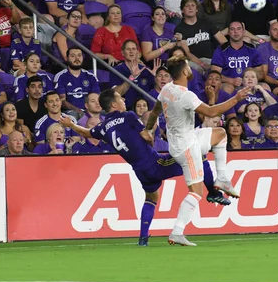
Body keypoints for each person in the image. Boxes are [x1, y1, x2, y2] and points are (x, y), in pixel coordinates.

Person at [61, 88, 229, 246]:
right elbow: (145, 135)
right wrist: (149, 138)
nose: (123, 100)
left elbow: (86, 133)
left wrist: (71, 125)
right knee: (198, 155)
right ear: (113, 104)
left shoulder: (103, 127)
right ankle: (213, 193)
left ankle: (143, 239)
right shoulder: (128, 116)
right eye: (120, 98)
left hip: (140, 171)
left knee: (151, 198)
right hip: (155, 164)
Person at [143, 55, 250, 246]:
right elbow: (210, 112)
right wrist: (237, 98)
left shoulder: (167, 89)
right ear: (184, 71)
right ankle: (177, 231)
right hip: (187, 147)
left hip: (182, 140)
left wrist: (148, 129)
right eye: (188, 66)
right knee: (196, 192)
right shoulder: (186, 95)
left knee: (220, 134)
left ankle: (223, 179)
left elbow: (155, 111)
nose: (190, 69)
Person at [211, 21, 265, 94]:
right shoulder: (221, 50)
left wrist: (249, 80)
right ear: (229, 33)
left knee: (265, 87)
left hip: (250, 84)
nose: (236, 32)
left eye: (239, 29)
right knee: (228, 88)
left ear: (243, 32)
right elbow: (215, 74)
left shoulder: (252, 49)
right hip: (229, 83)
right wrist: (231, 80)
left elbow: (260, 74)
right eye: (232, 29)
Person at [175, 0, 218, 73]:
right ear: (182, 10)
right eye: (187, 6)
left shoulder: (206, 23)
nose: (190, 8)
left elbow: (222, 40)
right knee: (194, 70)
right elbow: (187, 53)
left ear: (197, 9)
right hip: (193, 62)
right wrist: (202, 64)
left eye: (193, 5)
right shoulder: (179, 29)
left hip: (210, 59)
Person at [54, 47, 100, 116]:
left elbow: (96, 97)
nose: (77, 58)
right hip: (70, 112)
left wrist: (89, 112)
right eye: (73, 56)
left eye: (79, 55)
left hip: (89, 110)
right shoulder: (60, 76)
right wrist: (78, 111)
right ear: (67, 58)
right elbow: (62, 101)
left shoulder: (91, 76)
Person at [109, 40, 155, 109]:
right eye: (128, 49)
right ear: (123, 53)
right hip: (127, 110)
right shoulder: (116, 71)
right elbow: (116, 94)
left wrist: (156, 78)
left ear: (137, 52)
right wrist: (132, 77)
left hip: (145, 110)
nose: (131, 51)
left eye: (133, 49)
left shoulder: (145, 70)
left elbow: (155, 91)